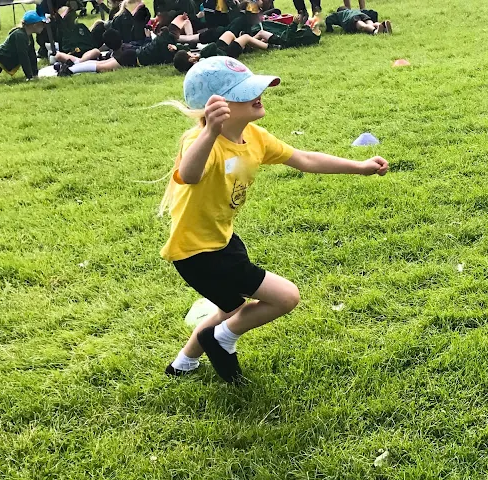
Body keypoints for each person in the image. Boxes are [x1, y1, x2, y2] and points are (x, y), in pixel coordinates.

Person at [161, 56, 389, 383]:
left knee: (230, 308)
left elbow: (305, 159)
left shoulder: (255, 137)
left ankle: (182, 364)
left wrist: (361, 166)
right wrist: (209, 133)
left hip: (222, 240)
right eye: (245, 91)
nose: (259, 94)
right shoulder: (201, 143)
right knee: (285, 297)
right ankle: (221, 339)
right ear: (216, 107)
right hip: (197, 252)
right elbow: (190, 173)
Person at [173, 30, 277, 72]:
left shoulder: (197, 62)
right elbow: (212, 46)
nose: (191, 52)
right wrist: (200, 55)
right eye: (189, 54)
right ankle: (270, 47)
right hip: (226, 55)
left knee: (229, 33)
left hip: (219, 50)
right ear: (191, 59)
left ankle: (246, 46)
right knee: (245, 37)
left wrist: (176, 48)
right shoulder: (201, 62)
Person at [325, 6, 391, 34]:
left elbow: (328, 19)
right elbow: (371, 12)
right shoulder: (354, 10)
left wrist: (329, 29)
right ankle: (381, 25)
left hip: (351, 18)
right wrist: (374, 18)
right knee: (371, 23)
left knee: (363, 26)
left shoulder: (340, 14)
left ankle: (375, 32)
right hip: (361, 14)